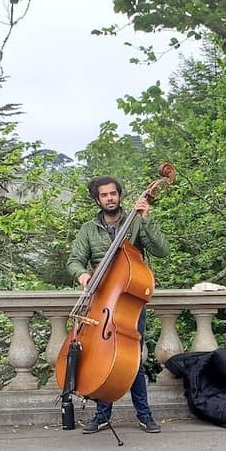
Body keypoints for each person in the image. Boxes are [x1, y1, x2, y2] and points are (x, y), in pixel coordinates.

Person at [66, 175, 169, 434]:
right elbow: (74, 260)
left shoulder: (135, 221)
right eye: (104, 195)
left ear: (119, 195)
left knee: (133, 360)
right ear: (97, 200)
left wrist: (146, 219)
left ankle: (144, 414)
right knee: (101, 357)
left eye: (113, 193)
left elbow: (162, 251)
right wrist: (82, 275)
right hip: (102, 300)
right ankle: (102, 415)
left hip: (129, 302)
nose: (110, 198)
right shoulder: (89, 229)